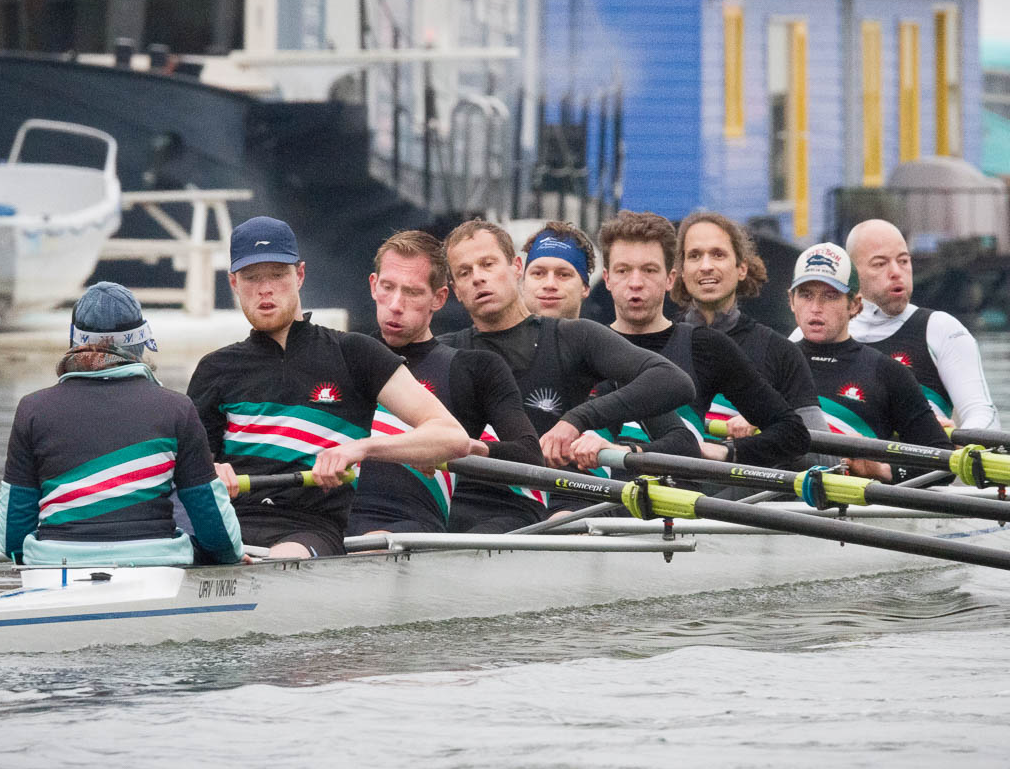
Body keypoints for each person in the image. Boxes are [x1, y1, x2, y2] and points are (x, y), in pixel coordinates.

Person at [187, 216, 481, 558]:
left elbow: (451, 437)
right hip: (229, 529)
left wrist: (361, 449)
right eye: (252, 277)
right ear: (234, 283)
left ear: (299, 275)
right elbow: (183, 471)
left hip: (309, 530)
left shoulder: (354, 353)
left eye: (277, 275)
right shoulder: (215, 368)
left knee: (282, 560)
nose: (265, 289)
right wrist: (208, 472)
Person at [438, 218, 696, 530]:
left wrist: (591, 430)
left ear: (514, 268)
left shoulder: (587, 343)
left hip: (564, 505)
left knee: (561, 523)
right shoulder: (445, 351)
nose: (549, 285)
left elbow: (677, 399)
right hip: (475, 508)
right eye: (465, 272)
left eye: (563, 274)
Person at [0, 282, 242, 567]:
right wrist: (228, 558)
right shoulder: (177, 409)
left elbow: (12, 541)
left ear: (74, 342)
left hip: (56, 565)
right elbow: (219, 538)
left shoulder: (32, 410)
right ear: (141, 342)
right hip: (156, 565)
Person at [347, 230, 543, 535]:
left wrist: (465, 448)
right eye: (388, 287)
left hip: (407, 532)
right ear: (373, 286)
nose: (396, 304)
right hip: (331, 525)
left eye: (412, 292)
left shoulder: (475, 369)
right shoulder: (341, 355)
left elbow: (529, 455)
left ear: (438, 298)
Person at [595, 210, 809, 466]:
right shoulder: (583, 345)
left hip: (682, 486)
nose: (636, 283)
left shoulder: (706, 346)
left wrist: (727, 451)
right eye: (623, 270)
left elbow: (794, 434)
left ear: (670, 278)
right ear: (607, 278)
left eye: (649, 270)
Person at [788, 242, 952, 481]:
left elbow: (943, 463)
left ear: (855, 305)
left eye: (830, 296)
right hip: (771, 494)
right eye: (806, 295)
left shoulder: (888, 373)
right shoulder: (767, 364)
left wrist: (882, 470)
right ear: (791, 301)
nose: (815, 308)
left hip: (848, 497)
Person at [673, 211, 828, 439]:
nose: (706, 266)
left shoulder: (781, 353)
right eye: (695, 256)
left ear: (742, 268)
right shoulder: (659, 347)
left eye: (718, 254)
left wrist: (767, 422)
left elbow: (820, 451)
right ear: (682, 272)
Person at [843, 218, 1001, 431]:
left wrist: (961, 439)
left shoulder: (941, 330)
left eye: (903, 261)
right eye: (880, 264)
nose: (896, 272)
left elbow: (984, 414)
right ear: (851, 274)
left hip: (925, 451)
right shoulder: (816, 335)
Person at [519, 220, 596, 320]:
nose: (550, 284)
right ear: (523, 284)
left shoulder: (602, 331)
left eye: (563, 275)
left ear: (585, 287)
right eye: (538, 273)